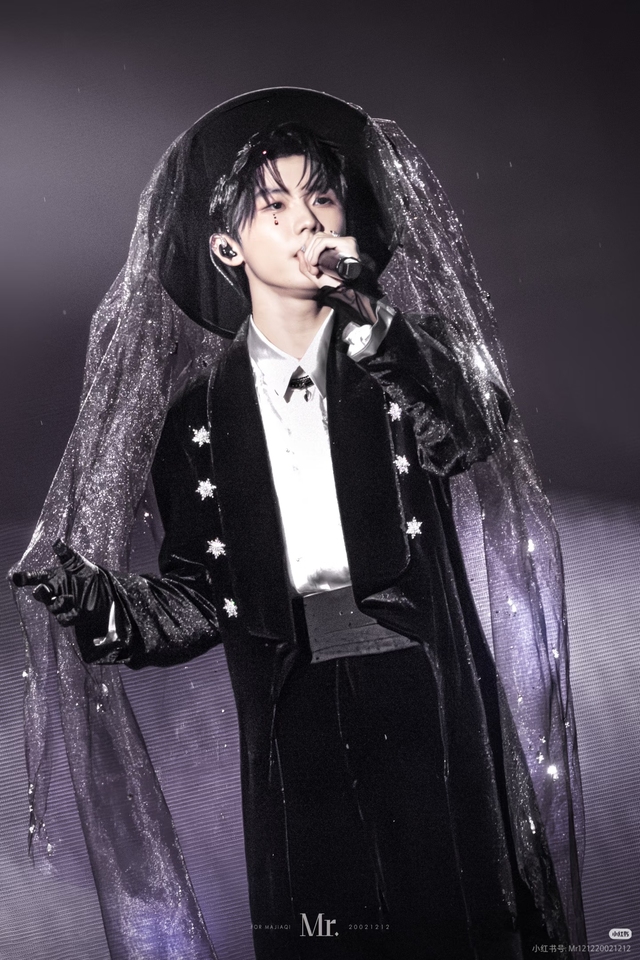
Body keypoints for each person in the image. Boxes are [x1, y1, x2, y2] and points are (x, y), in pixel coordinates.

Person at [11, 88, 587, 960]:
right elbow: (202, 597)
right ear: (226, 245)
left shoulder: (402, 355)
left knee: (458, 920)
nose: (308, 220)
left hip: (421, 684)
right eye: (274, 205)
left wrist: (376, 322)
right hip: (292, 707)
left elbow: (472, 427)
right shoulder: (198, 418)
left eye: (322, 198)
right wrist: (100, 603)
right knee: (321, 928)